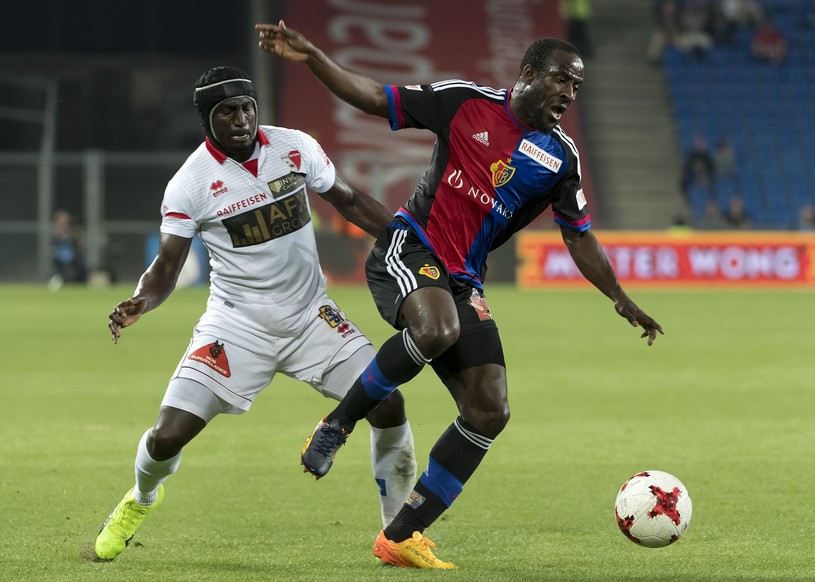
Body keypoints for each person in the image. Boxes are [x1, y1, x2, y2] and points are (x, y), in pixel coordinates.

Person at [257, 22, 664, 569]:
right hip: (410, 246)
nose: (569, 95)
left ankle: (399, 537)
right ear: (527, 75)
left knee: (489, 410)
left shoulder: (561, 159)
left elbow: (577, 232)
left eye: (577, 88)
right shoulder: (464, 102)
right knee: (436, 328)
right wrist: (314, 58)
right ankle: (337, 425)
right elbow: (378, 98)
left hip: (463, 280)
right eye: (562, 81)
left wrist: (618, 295)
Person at [92, 66, 417, 561]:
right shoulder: (190, 184)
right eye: (227, 112)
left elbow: (348, 200)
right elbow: (166, 266)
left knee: (388, 404)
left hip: (312, 316)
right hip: (236, 326)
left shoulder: (295, 147)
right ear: (207, 119)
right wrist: (141, 300)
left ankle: (397, 535)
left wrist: (410, 242)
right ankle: (142, 497)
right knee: (166, 437)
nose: (241, 119)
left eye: (247, 107)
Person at [49, 209, 87, 288]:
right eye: (61, 222)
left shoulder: (73, 234)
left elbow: (79, 249)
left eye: (65, 221)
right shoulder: (53, 236)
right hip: (59, 262)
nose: (63, 224)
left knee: (80, 265)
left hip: (73, 261)